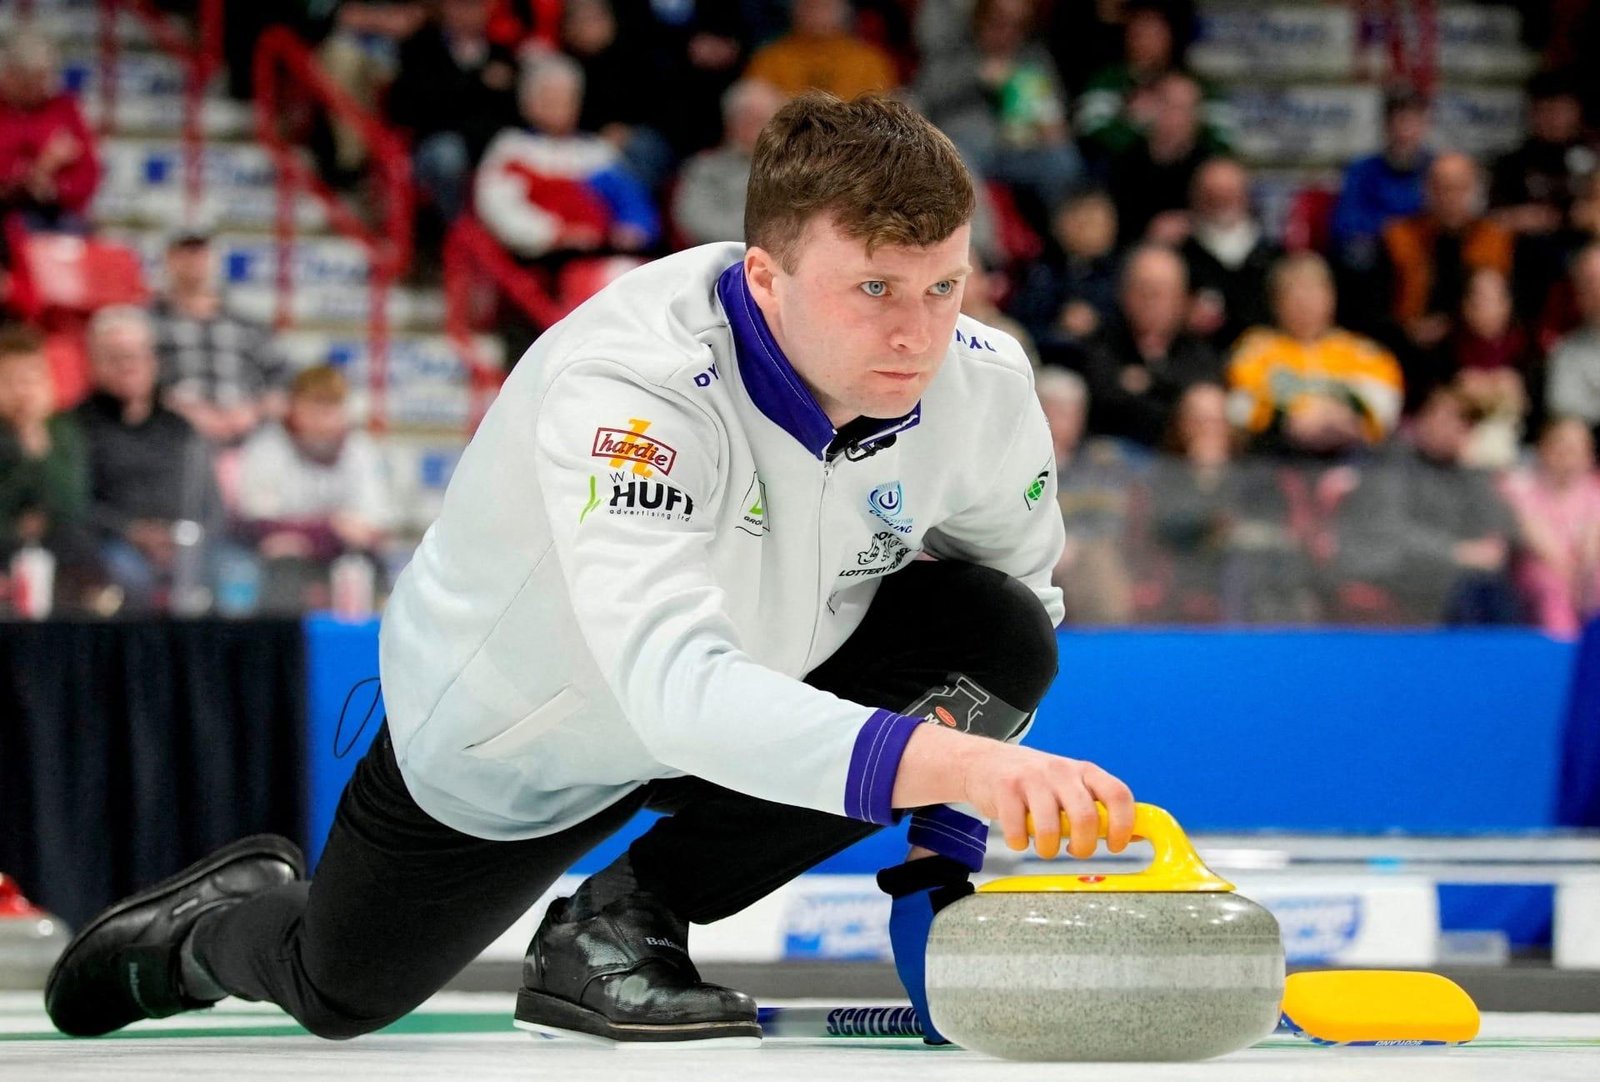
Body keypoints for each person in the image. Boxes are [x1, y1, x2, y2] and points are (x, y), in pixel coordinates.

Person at [47, 92, 1136, 1048]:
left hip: (763, 670)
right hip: (530, 723)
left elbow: (1017, 604)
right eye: (874, 290)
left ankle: (624, 917)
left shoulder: (979, 381)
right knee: (343, 989)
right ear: (765, 276)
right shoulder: (632, 388)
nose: (918, 335)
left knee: (997, 634)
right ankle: (211, 931)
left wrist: (941, 858)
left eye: (945, 286)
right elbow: (666, 686)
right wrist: (960, 772)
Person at [72, 306, 223, 613]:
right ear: (93, 363)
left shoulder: (181, 429)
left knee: (232, 573)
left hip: (184, 545)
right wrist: (131, 531)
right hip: (110, 544)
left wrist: (188, 539)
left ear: (153, 361)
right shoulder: (76, 427)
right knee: (129, 575)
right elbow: (75, 505)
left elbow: (211, 504)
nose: (128, 366)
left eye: (136, 355)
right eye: (115, 357)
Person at [1333, 385, 1521, 624]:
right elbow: (1389, 530)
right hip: (1391, 570)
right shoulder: (1391, 462)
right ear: (1421, 419)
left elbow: (1501, 527)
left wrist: (1491, 543)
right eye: (1446, 418)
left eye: (1464, 423)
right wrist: (1456, 553)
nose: (1453, 429)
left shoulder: (1468, 473)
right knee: (1467, 594)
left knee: (1494, 593)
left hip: (1450, 575)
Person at [235, 365, 396, 613]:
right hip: (284, 563)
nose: (321, 420)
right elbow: (259, 521)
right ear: (294, 408)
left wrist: (310, 534)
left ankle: (367, 646)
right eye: (313, 408)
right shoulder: (268, 446)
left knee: (366, 566)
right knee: (284, 566)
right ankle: (283, 648)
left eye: (330, 409)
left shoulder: (360, 450)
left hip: (346, 557)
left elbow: (372, 526)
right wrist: (332, 528)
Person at [474, 52, 660, 259]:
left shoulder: (597, 152)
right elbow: (500, 209)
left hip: (603, 253)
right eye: (549, 98)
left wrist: (634, 228)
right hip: (542, 260)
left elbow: (630, 199)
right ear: (527, 103)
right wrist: (555, 235)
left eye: (567, 98)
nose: (559, 107)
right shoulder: (511, 149)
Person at [1227, 252, 1403, 457]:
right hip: (1275, 460)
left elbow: (1384, 407)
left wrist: (1340, 416)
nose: (1304, 304)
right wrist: (1289, 420)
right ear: (1275, 302)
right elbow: (1241, 406)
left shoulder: (1364, 354)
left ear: (1331, 296)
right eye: (1294, 294)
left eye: (1313, 292)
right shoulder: (1254, 350)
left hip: (1352, 461)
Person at [1381, 152, 1514, 393]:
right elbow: (1381, 305)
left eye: (1460, 188)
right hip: (1410, 347)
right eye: (1441, 188)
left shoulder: (1495, 240)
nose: (1450, 197)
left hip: (1472, 348)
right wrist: (1409, 329)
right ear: (1427, 189)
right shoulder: (1399, 237)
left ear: (1475, 189)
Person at [149, 231, 290, 447]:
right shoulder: (147, 323)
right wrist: (176, 406)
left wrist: (253, 411)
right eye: (184, 253)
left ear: (215, 259)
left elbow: (282, 378)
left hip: (246, 443)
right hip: (171, 441)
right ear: (168, 259)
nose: (194, 261)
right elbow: (129, 378)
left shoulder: (247, 324)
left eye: (201, 253)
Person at [386, 0, 520, 222]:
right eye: (458, 5)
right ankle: (458, 229)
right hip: (434, 145)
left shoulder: (502, 55)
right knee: (448, 155)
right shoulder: (420, 48)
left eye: (474, 5)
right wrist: (478, 82)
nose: (466, 12)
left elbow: (511, 113)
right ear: (443, 9)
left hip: (485, 143)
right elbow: (407, 108)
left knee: (516, 152)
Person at [1079, 243, 1221, 447]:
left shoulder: (1201, 355)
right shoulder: (1099, 347)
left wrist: (1147, 383)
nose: (1151, 301)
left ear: (1182, 299)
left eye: (1161, 292)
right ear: (1123, 294)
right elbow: (1104, 401)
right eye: (1143, 290)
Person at [1036, 367, 1135, 623]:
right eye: (1057, 409)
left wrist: (1074, 541)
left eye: (1075, 411)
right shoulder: (1018, 461)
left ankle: (1106, 645)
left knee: (1098, 562)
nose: (1069, 419)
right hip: (1029, 550)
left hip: (1085, 553)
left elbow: (1111, 520)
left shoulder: (1101, 463)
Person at [0, 323, 89, 577]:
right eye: (11, 380)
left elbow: (71, 504)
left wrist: (37, 445)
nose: (23, 390)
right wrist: (17, 530)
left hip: (56, 550)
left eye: (32, 378)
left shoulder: (63, 431)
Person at [1501, 416, 1600, 638]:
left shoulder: (1595, 489)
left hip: (1583, 571)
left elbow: (1593, 545)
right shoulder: (1520, 485)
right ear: (1543, 449)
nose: (1567, 457)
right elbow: (1542, 545)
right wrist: (1572, 577)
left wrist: (1586, 575)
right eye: (1560, 448)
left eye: (1575, 449)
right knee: (1553, 584)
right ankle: (1564, 651)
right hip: (1538, 569)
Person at [1105, 71, 1223, 243]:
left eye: (1186, 108)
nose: (1177, 116)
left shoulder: (1211, 166)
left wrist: (1191, 223)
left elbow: (1225, 221)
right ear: (1152, 107)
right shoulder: (1125, 162)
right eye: (1170, 105)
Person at [0, 29, 100, 231]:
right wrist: (40, 168)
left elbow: (87, 172)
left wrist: (53, 187)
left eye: (43, 79)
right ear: (8, 74)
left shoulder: (65, 109)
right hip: (6, 213)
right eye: (28, 81)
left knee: (71, 232)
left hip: (56, 213)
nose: (40, 87)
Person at [1180, 157, 1281, 351]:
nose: (1221, 199)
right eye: (1212, 192)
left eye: (1230, 191)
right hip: (1198, 360)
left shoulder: (1274, 257)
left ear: (1246, 195)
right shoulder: (1180, 256)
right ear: (1196, 196)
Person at [1009, 188, 1122, 359]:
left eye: (1100, 222)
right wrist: (1058, 328)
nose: (1090, 231)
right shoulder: (1040, 272)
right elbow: (1023, 324)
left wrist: (1097, 323)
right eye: (1084, 222)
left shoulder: (1125, 273)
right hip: (1048, 359)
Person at [1330, 88, 1433, 274]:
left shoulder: (1438, 169)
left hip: (1425, 252)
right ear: (1386, 125)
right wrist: (1392, 229)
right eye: (1400, 122)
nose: (1405, 132)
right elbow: (1344, 223)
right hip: (1378, 257)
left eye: (1413, 122)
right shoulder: (1361, 170)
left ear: (1424, 125)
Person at [671, 79, 785, 246]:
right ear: (731, 123)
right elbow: (695, 221)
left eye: (762, 119)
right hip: (724, 262)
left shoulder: (800, 170)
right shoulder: (705, 168)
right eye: (746, 118)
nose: (752, 127)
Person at [744, 0, 899, 100]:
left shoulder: (870, 61)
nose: (817, 13)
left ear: (843, 11)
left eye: (824, 6)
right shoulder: (770, 59)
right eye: (810, 6)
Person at [1547, 242, 1600, 438]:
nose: (1598, 290)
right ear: (1578, 295)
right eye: (1590, 282)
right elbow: (1565, 409)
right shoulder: (1567, 352)